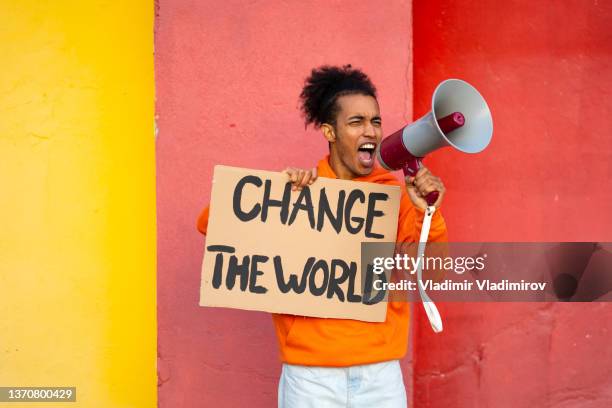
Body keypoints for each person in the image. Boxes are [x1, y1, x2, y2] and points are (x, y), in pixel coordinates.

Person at [197, 65, 448, 407]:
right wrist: (279, 192)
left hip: (381, 376)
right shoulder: (305, 192)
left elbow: (430, 272)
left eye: (375, 121)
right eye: (356, 122)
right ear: (330, 131)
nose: (370, 131)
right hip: (310, 379)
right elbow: (211, 223)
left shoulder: (395, 197)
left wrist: (425, 211)